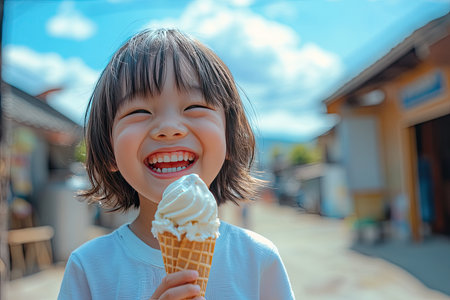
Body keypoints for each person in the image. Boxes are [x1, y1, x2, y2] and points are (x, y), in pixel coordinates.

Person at [58, 28, 294, 300]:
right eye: (139, 111)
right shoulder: (89, 270)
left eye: (194, 107)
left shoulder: (259, 260)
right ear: (109, 150)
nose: (169, 128)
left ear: (229, 137)